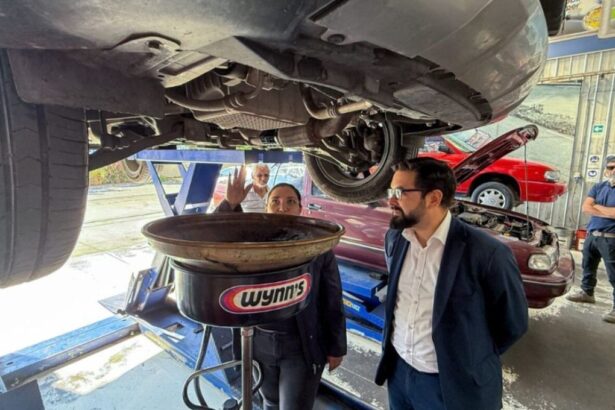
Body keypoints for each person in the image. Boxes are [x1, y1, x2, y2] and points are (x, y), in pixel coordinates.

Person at [374, 157, 528, 410]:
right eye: (391, 191)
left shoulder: (486, 253)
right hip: (399, 373)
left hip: (452, 386)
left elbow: (513, 324)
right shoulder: (396, 238)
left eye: (400, 192)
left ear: (433, 198)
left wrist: (468, 358)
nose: (390, 200)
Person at [216, 166, 347, 410]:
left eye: (290, 202)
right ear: (266, 208)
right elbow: (215, 239)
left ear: (300, 209)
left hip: (301, 346)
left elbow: (332, 299)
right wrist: (230, 204)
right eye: (275, 201)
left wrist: (336, 346)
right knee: (269, 403)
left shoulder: (318, 248)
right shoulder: (251, 243)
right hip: (259, 345)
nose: (282, 207)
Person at [566, 156, 615, 323]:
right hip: (592, 235)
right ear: (606, 170)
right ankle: (587, 293)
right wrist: (606, 210)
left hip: (611, 239)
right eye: (611, 167)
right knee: (588, 267)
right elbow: (586, 207)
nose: (613, 170)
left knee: (613, 275)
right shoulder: (599, 186)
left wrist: (597, 207)